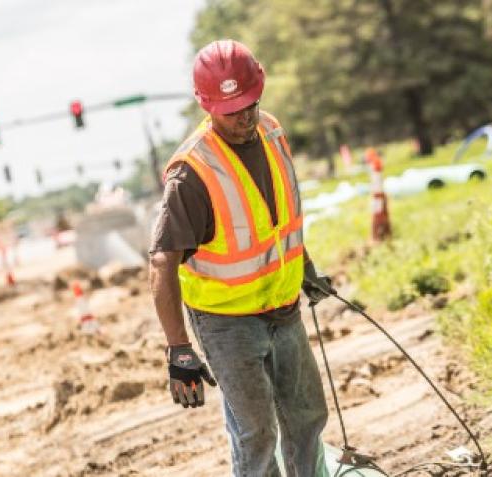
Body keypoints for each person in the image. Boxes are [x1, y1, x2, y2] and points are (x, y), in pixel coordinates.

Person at [148, 39, 335, 476]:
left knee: (307, 416)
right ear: (207, 104)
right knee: (257, 434)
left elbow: (277, 217)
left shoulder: (271, 131)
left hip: (283, 309)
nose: (244, 117)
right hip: (227, 322)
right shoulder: (192, 172)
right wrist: (178, 348)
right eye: (230, 110)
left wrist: (303, 267)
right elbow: (162, 262)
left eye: (250, 103)